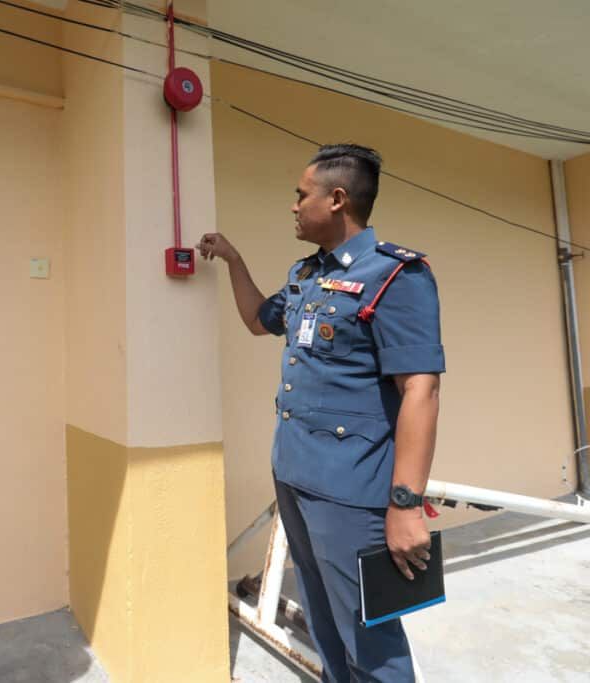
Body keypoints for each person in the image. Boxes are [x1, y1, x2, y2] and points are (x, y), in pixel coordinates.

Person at [199, 144, 444, 682]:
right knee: (324, 621)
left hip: (352, 494)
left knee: (370, 641)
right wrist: (235, 260)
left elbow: (420, 391)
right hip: (294, 476)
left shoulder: (395, 275)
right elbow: (258, 321)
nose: (293, 205)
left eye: (301, 194)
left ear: (336, 199)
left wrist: (406, 505)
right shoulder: (307, 274)